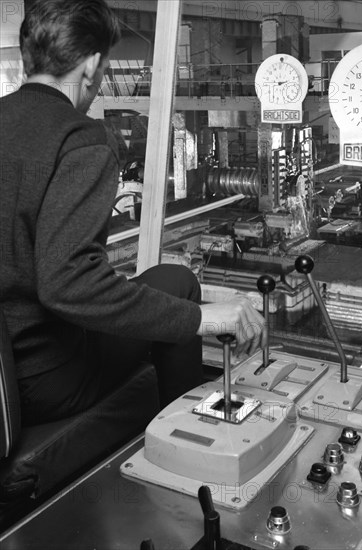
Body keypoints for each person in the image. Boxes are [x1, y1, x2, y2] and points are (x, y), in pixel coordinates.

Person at [0, 0, 266, 425]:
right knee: (181, 305)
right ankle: (186, 439)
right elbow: (69, 284)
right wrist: (202, 318)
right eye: (104, 69)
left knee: (174, 279)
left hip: (5, 368)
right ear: (90, 66)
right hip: (44, 378)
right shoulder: (80, 139)